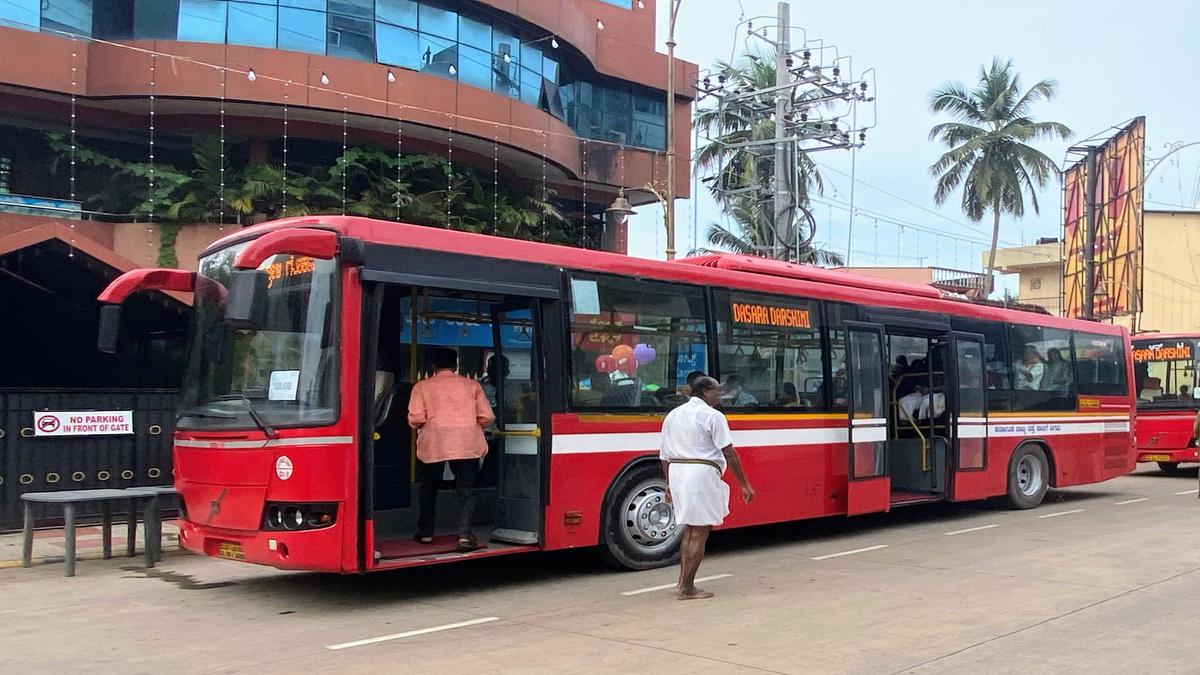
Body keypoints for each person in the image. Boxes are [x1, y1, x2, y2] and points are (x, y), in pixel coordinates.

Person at [659, 376, 754, 600]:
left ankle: (683, 582)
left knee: (690, 529)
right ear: (705, 391)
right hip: (700, 473)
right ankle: (687, 587)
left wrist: (668, 483)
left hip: (677, 472)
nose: (719, 395)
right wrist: (744, 483)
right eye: (716, 391)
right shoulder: (713, 416)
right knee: (699, 530)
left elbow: (663, 455)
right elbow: (729, 452)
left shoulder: (673, 415)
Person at [407, 347, 495, 551]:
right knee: (465, 490)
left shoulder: (422, 387)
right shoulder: (471, 385)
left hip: (433, 443)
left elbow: (416, 418)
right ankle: (464, 535)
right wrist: (470, 427)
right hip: (466, 442)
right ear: (456, 365)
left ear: (433, 366)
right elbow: (487, 416)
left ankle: (426, 532)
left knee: (428, 488)